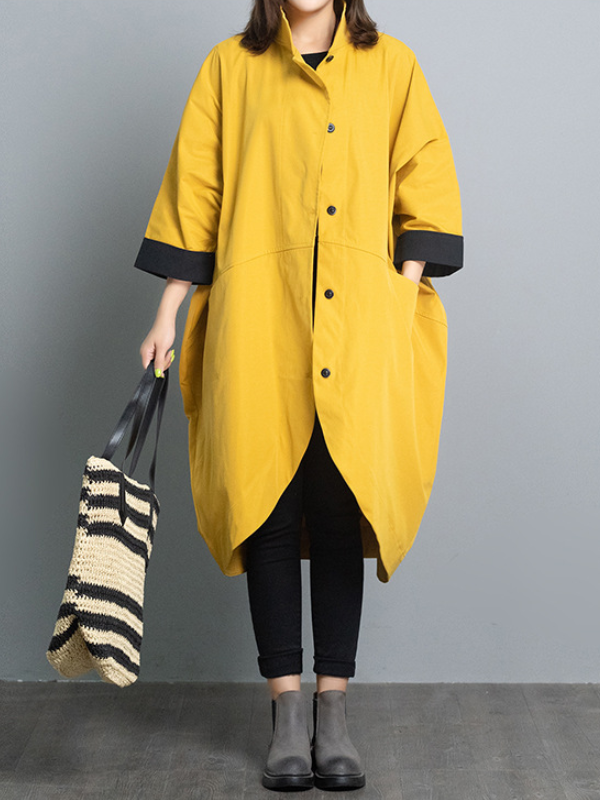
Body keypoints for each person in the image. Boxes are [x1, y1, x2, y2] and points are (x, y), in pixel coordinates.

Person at [136, 0, 463, 791]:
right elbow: (196, 191)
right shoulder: (230, 67)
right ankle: (286, 713)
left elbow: (424, 179)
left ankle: (333, 711)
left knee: (341, 505)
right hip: (259, 319)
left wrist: (398, 291)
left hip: (359, 323)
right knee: (269, 507)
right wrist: (167, 313)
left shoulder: (392, 65)